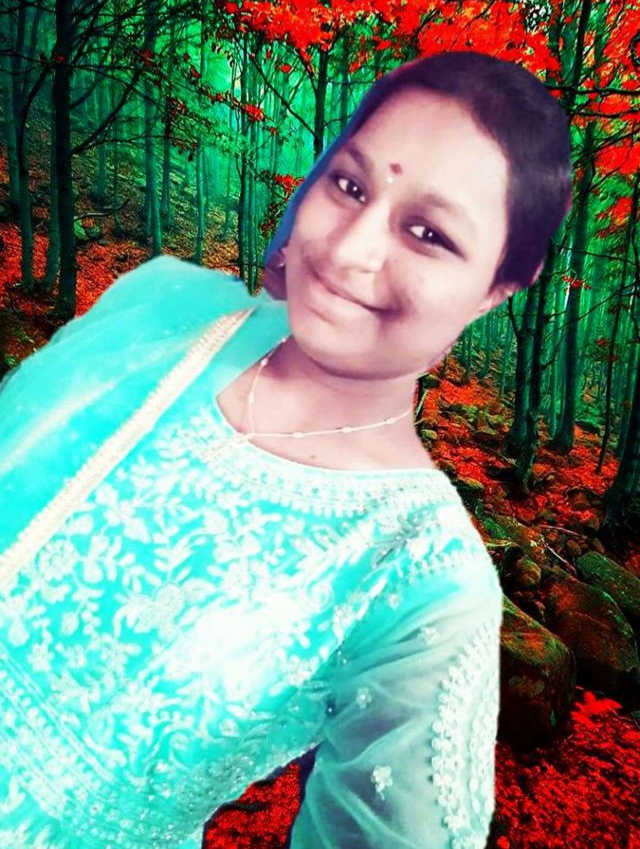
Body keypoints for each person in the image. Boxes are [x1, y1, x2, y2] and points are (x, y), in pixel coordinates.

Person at [0, 50, 572, 848]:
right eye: (351, 186)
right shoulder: (168, 307)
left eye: (428, 233)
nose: (348, 250)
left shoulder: (422, 578)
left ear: (500, 288)